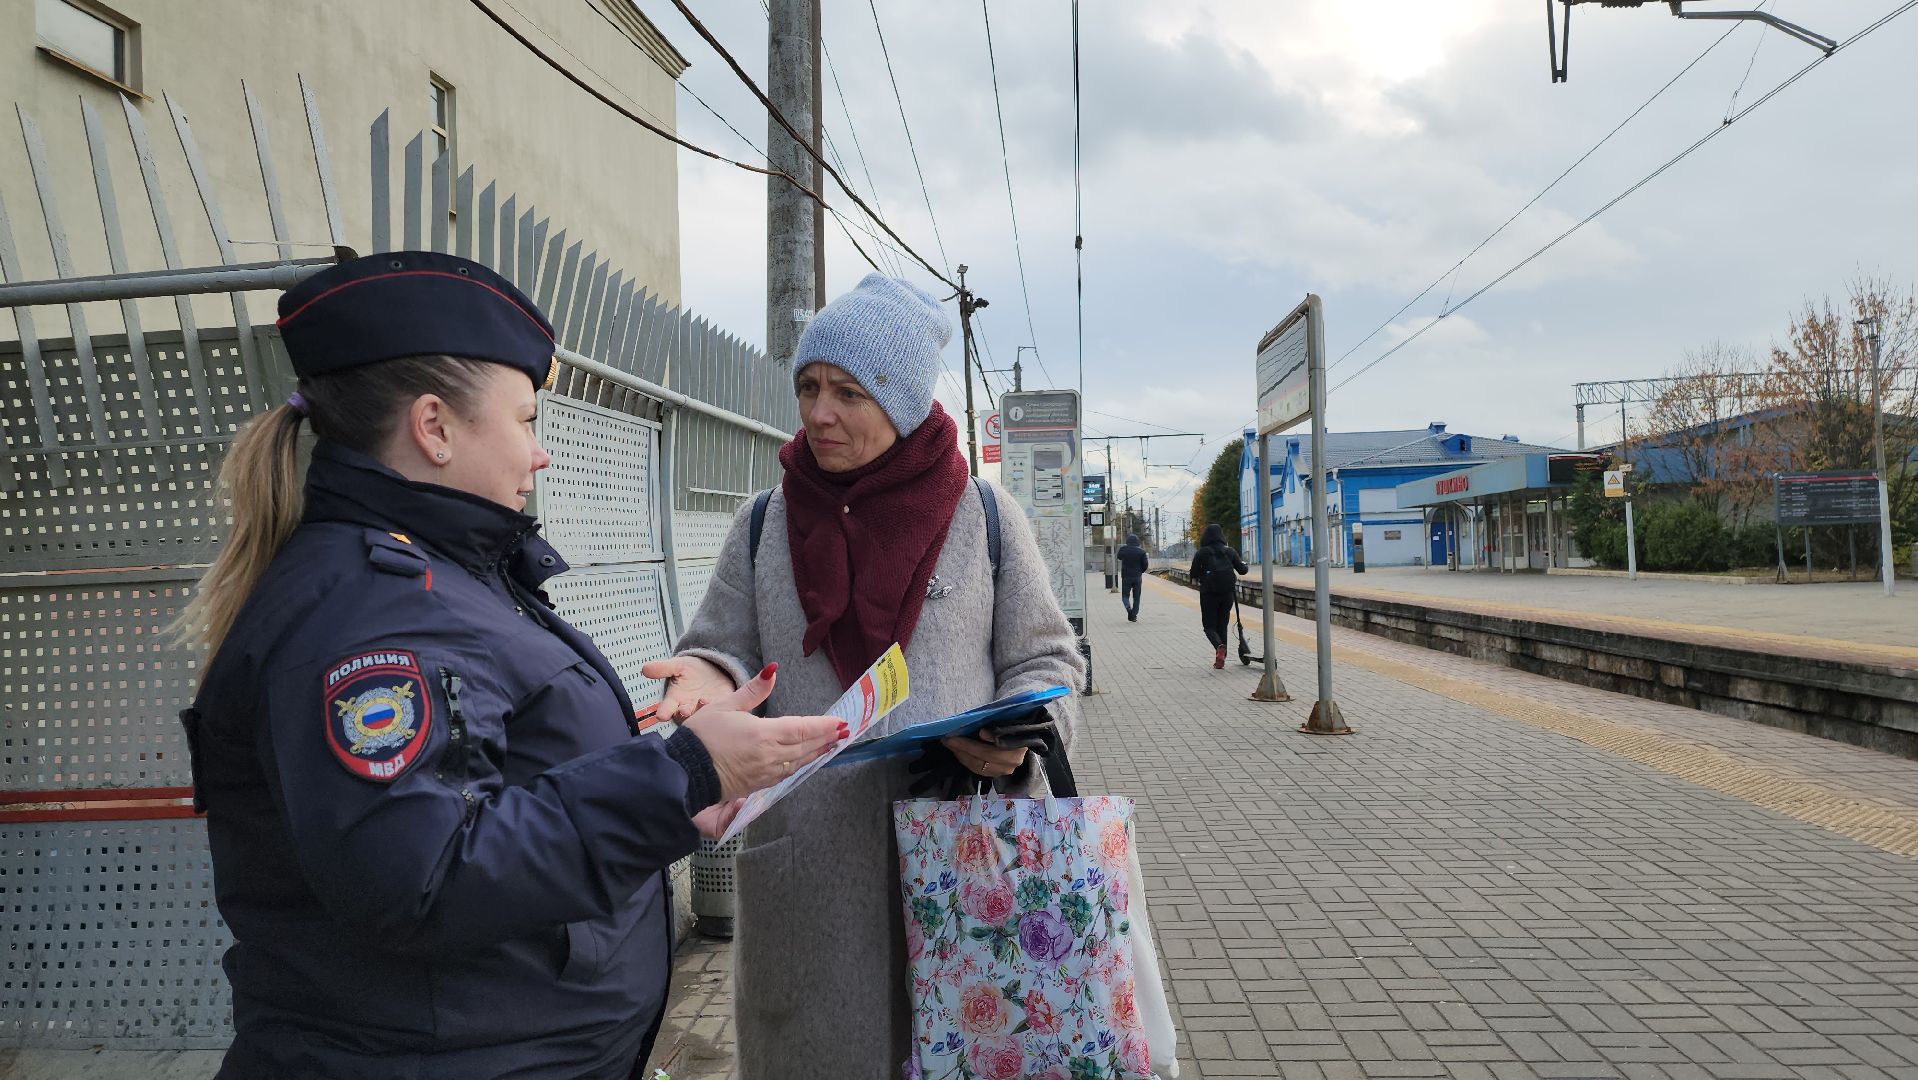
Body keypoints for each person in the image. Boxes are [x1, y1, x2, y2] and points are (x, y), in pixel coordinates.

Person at [174, 251, 845, 1079]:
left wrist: (689, 779)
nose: (540, 454)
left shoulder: (446, 572)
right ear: (434, 427)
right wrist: (679, 776)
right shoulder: (368, 612)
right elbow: (419, 877)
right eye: (526, 421)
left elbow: (497, 779)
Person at [640, 273, 1086, 1078]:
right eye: (808, 386)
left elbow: (1045, 658)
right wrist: (701, 680)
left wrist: (1017, 737)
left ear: (904, 401)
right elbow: (720, 648)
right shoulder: (762, 524)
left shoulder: (982, 518)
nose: (818, 412)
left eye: (849, 391)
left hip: (971, 868)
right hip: (810, 885)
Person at [1189, 522, 1248, 668]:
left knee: (1209, 626)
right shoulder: (1230, 551)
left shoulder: (1202, 553)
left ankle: (1219, 647)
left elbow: (1193, 573)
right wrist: (1244, 564)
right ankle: (1221, 657)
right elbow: (1242, 570)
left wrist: (1203, 575)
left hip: (1209, 593)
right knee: (1223, 625)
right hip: (1228, 594)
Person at [1117, 531, 1149, 621]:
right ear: (1137, 542)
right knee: (1136, 597)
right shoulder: (1142, 552)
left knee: (1125, 596)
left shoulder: (1123, 549)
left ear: (1127, 541)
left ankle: (1129, 610)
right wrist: (1140, 571)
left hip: (1126, 577)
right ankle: (1134, 615)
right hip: (1137, 577)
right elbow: (1145, 564)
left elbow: (1118, 557)